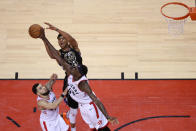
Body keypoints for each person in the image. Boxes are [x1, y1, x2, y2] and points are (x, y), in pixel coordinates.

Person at [39, 27, 119, 131]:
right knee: (92, 128)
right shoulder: (70, 74)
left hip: (90, 107)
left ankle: (70, 116)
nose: (74, 67)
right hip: (83, 108)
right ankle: (71, 117)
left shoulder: (82, 83)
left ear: (79, 72)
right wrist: (43, 38)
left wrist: (108, 117)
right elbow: (56, 56)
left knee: (102, 129)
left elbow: (96, 100)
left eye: (76, 68)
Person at [42, 22, 83, 131]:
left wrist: (56, 29)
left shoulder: (74, 48)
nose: (61, 41)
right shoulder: (59, 55)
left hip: (81, 78)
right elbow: (51, 54)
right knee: (74, 108)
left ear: (67, 40)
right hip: (70, 81)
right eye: (59, 40)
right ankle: (73, 128)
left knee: (83, 103)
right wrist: (43, 38)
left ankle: (70, 113)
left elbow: (72, 39)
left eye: (63, 39)